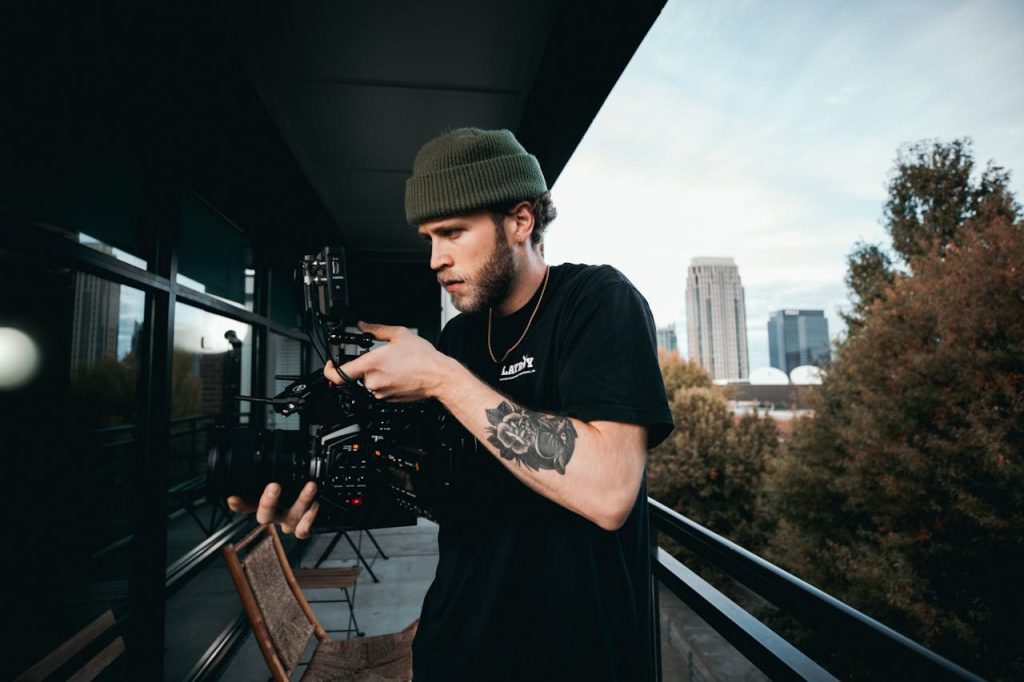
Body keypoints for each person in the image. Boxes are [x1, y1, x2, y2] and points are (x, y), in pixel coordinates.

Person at [229, 128, 673, 681]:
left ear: (520, 221)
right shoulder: (459, 338)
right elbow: (438, 487)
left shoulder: (597, 302)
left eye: (453, 232)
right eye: (428, 239)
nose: (436, 259)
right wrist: (331, 491)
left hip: (573, 658)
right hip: (451, 651)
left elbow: (609, 490)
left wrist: (441, 377)